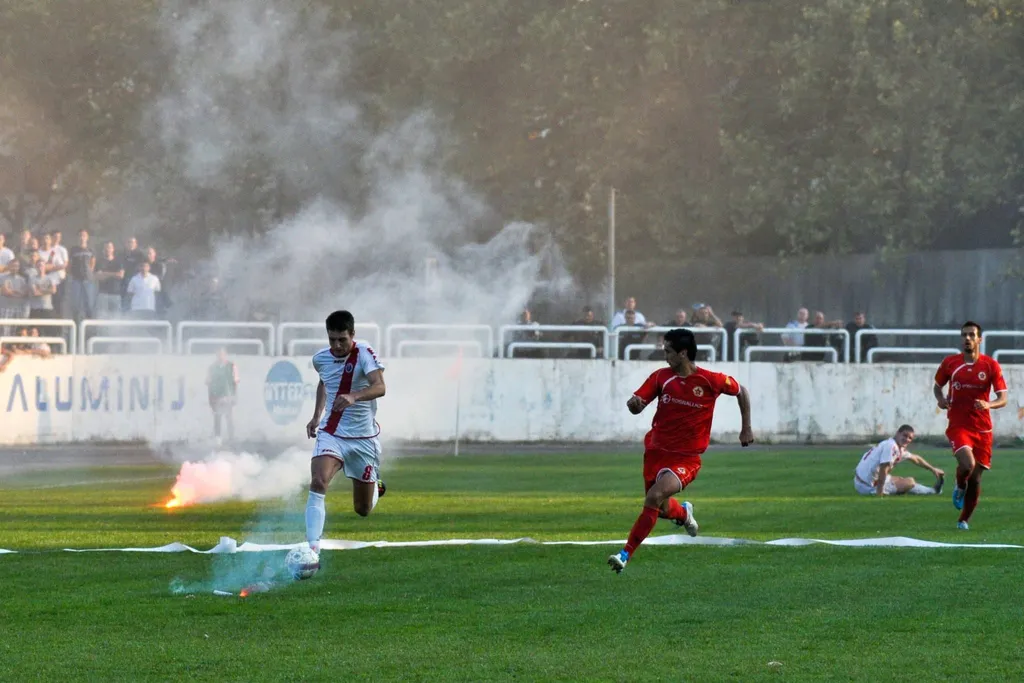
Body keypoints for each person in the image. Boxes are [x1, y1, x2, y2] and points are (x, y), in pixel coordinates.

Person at [608, 328, 754, 574]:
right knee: (663, 509)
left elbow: (741, 391)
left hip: (686, 459)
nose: (665, 356)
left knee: (653, 497)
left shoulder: (711, 380)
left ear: (683, 354)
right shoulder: (661, 377)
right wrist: (635, 405)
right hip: (655, 453)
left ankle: (625, 555)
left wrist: (746, 428)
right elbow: (638, 404)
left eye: (668, 351)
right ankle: (684, 512)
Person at [304, 310, 388, 557]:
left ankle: (376, 488)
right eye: (332, 340)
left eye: (342, 339)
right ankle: (312, 550)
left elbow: (380, 386)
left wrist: (354, 396)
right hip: (332, 433)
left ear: (353, 334)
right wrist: (316, 416)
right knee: (318, 481)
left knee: (362, 509)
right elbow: (324, 382)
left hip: (363, 439)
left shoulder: (365, 353)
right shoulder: (320, 359)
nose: (337, 345)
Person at [933, 321, 1008, 530]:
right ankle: (959, 485)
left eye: (972, 335)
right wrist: (940, 399)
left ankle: (963, 520)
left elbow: (1003, 398)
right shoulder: (950, 363)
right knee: (967, 464)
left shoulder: (991, 365)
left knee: (975, 480)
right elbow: (937, 387)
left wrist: (989, 404)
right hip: (959, 425)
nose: (967, 339)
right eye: (964, 335)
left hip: (983, 429)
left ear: (979, 339)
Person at [853, 425, 944, 496]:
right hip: (867, 486)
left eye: (910, 438)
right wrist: (879, 494)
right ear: (897, 433)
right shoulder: (891, 446)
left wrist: (933, 469)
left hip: (860, 480)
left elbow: (916, 459)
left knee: (900, 479)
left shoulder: (893, 445)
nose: (907, 439)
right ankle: (932, 491)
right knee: (910, 482)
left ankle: (933, 491)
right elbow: (883, 470)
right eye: (904, 435)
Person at [206, 348, 239, 447]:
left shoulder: (232, 366)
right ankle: (218, 438)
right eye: (219, 354)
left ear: (226, 355)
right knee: (217, 416)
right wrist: (211, 397)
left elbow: (235, 382)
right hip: (217, 396)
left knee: (229, 417)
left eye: (223, 354)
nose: (221, 356)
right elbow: (209, 383)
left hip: (228, 396)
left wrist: (234, 396)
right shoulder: (212, 367)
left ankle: (231, 437)